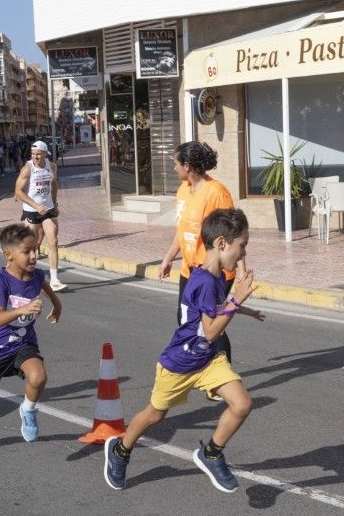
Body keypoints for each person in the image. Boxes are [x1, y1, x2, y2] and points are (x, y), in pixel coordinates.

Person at [103, 209, 257, 494]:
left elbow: (214, 310)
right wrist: (238, 300)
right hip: (180, 362)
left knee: (242, 403)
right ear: (222, 243)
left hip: (208, 359)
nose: (243, 253)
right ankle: (120, 450)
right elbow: (211, 330)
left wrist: (244, 308)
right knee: (154, 415)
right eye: (242, 245)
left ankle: (211, 453)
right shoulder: (205, 281)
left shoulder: (214, 277)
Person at [0, 224, 62, 453]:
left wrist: (57, 304)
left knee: (38, 377)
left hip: (24, 343)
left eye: (36, 249)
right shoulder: (1, 281)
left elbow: (44, 285)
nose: (34, 256)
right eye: (27, 252)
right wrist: (23, 309)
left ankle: (28, 410)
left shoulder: (35, 274)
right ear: (9, 254)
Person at [159, 140, 239, 363]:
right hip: (190, 268)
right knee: (185, 318)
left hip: (214, 271)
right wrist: (168, 259)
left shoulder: (217, 192)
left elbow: (232, 233)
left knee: (212, 324)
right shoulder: (183, 190)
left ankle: (222, 376)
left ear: (188, 166)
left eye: (175, 163)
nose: (173, 168)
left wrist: (239, 269)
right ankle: (205, 366)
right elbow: (182, 229)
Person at [14, 140, 64, 291]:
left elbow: (54, 184)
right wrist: (36, 206)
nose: (36, 157)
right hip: (31, 209)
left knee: (53, 240)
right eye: (33, 154)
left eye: (39, 154)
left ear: (45, 154)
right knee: (32, 246)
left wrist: (54, 203)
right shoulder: (27, 168)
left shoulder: (52, 166)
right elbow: (18, 191)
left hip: (48, 208)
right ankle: (25, 274)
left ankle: (54, 279)